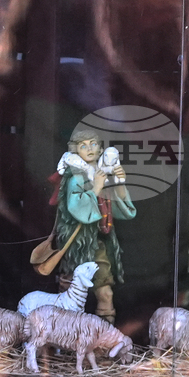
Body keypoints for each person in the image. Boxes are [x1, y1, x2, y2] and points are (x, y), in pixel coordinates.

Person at [55, 129, 134, 324]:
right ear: (76, 151)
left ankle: (104, 335)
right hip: (77, 245)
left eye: (93, 144)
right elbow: (76, 207)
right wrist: (97, 186)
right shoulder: (75, 177)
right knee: (69, 293)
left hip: (98, 244)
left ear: (100, 149)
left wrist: (119, 182)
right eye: (83, 146)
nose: (89, 149)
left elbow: (120, 209)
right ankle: (63, 333)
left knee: (105, 293)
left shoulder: (102, 173)